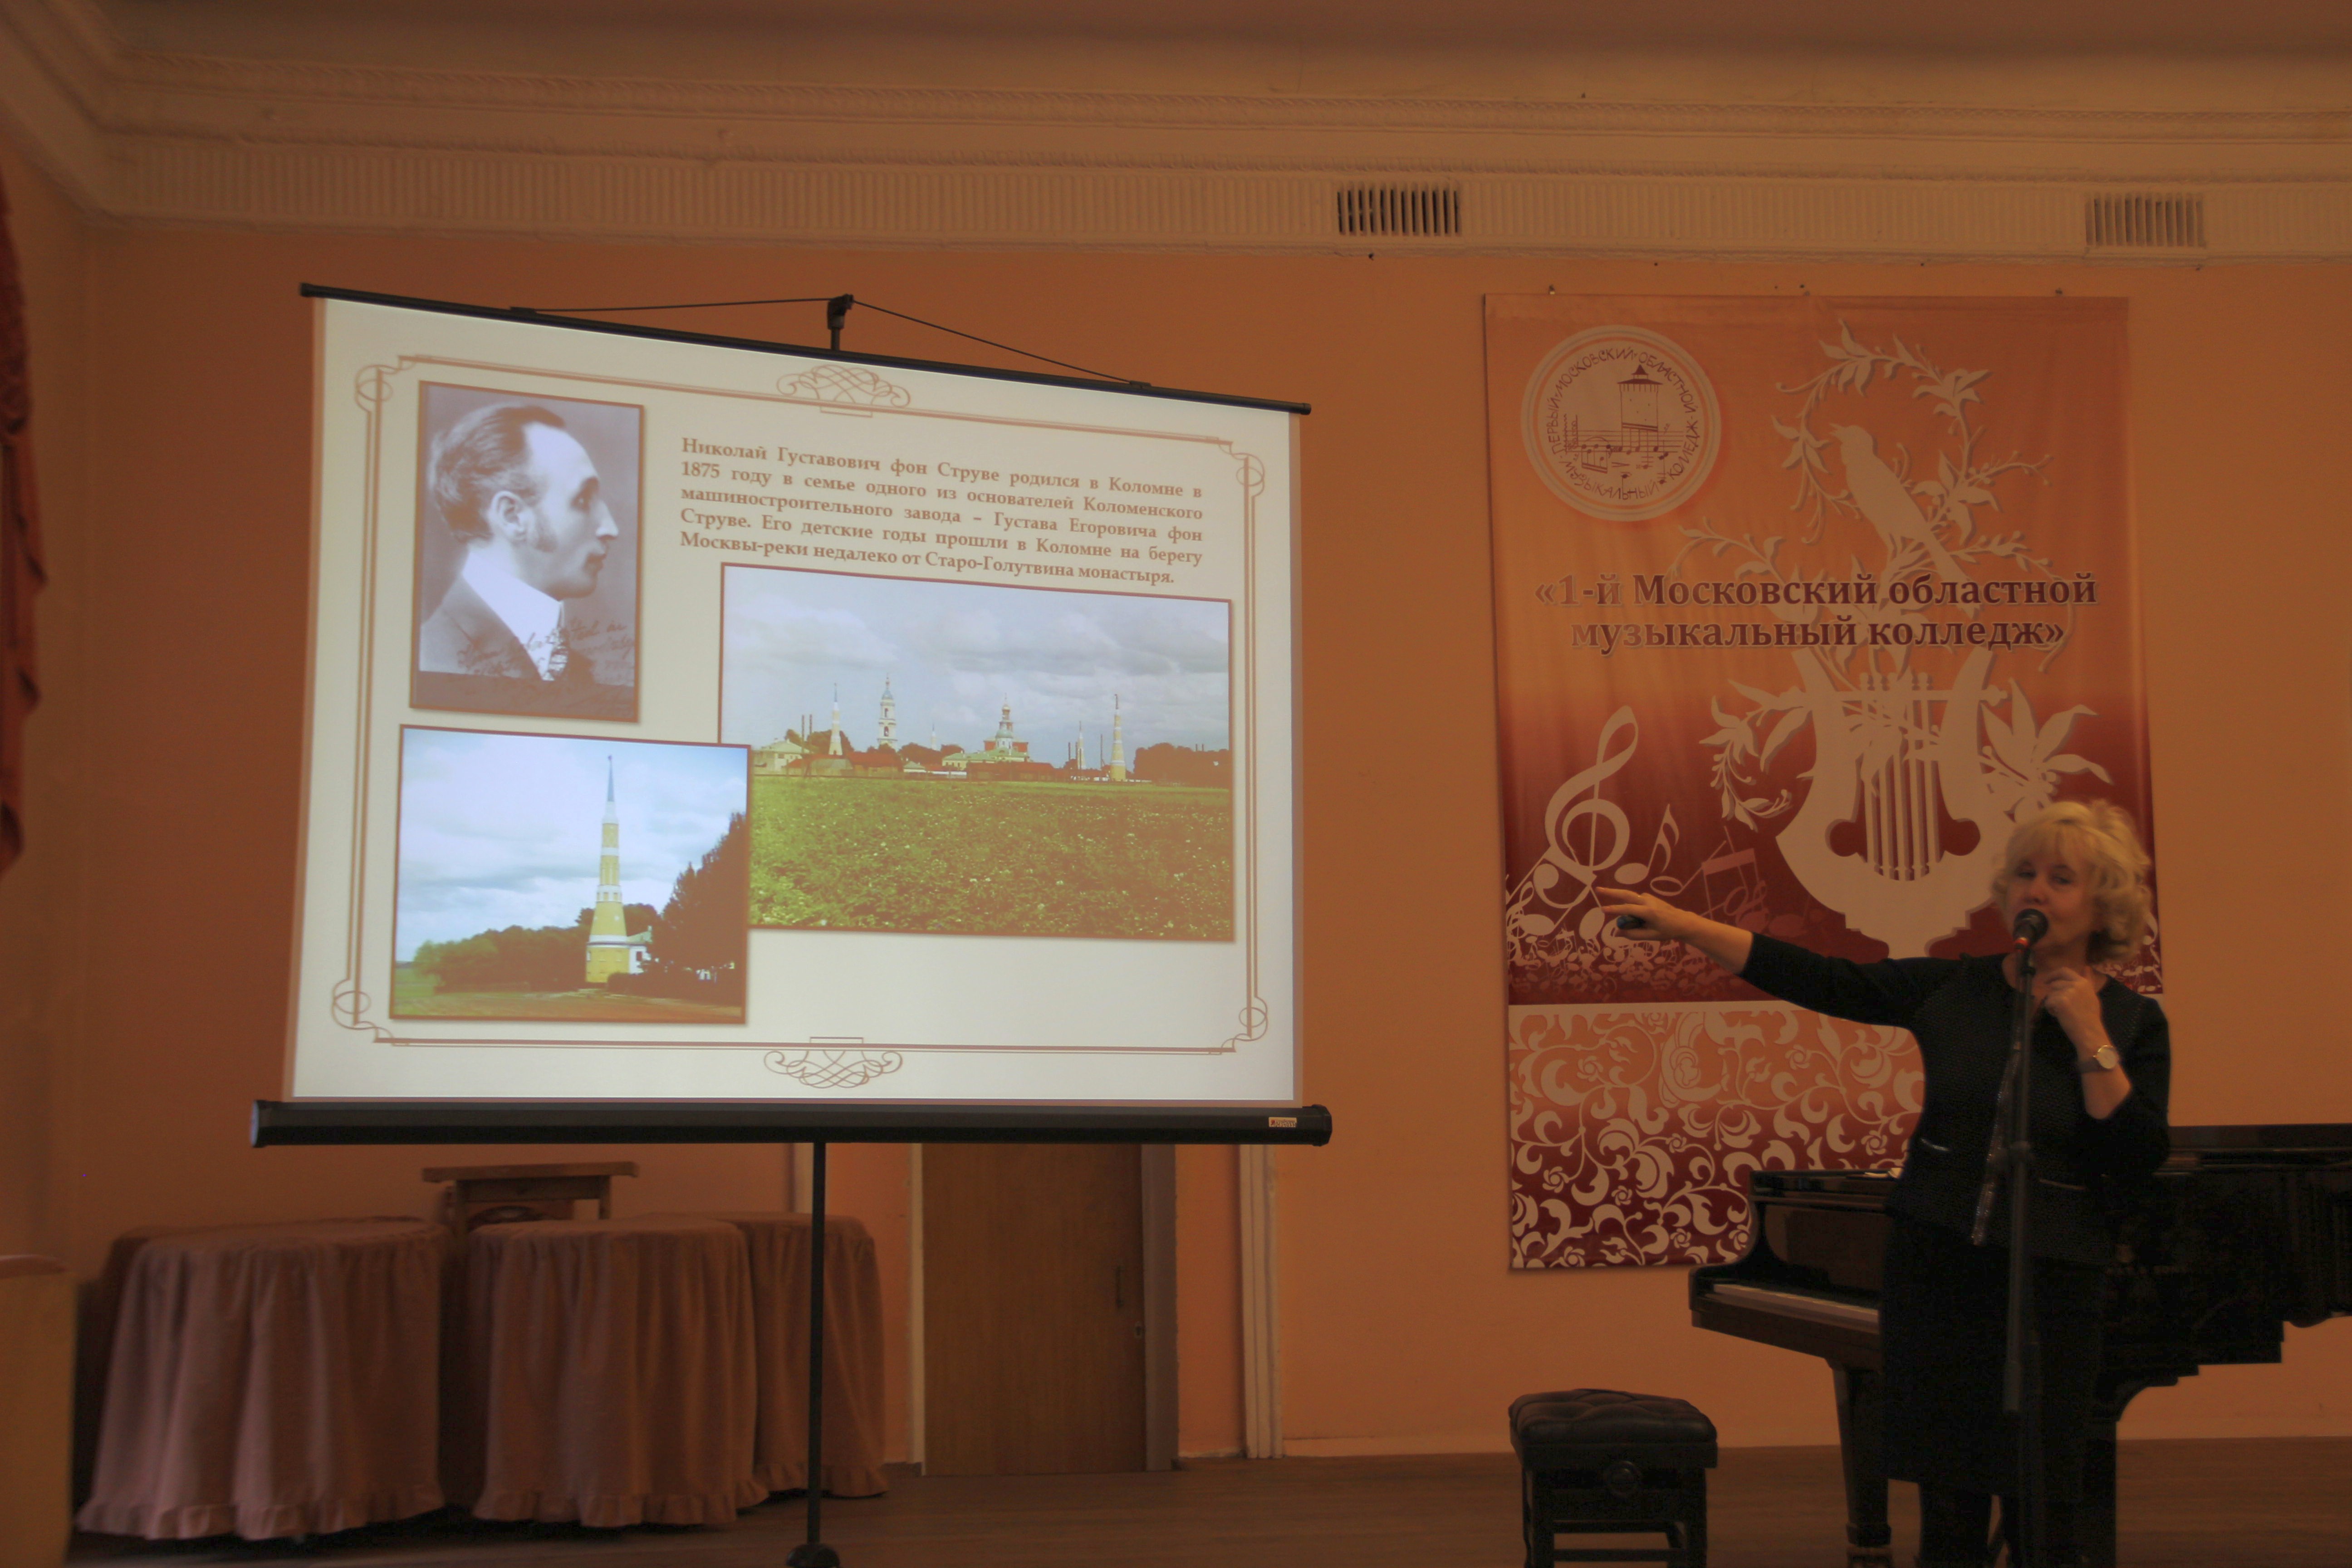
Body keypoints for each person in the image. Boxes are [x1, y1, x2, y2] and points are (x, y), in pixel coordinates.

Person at [1599, 800, 2169, 1568]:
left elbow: (2134, 1156)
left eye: (2060, 878)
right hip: (1937, 1274)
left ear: (2104, 904)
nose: (2033, 889)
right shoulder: (1956, 988)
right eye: (2024, 873)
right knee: (1948, 1511)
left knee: (2046, 1518)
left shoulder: (2132, 1023)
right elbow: (1827, 979)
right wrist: (1687, 927)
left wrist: (2089, 1037)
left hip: (2051, 1289)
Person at [415, 402, 629, 716]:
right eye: (583, 499)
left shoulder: (574, 667)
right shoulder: (432, 660)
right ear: (512, 517)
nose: (611, 528)